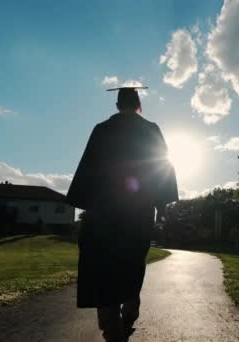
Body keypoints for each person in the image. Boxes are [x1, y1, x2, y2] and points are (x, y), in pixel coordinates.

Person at [66, 86, 178, 342]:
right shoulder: (151, 130)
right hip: (138, 214)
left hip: (104, 212)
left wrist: (87, 207)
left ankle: (111, 328)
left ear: (117, 105)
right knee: (131, 264)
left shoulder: (102, 130)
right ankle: (129, 308)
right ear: (139, 104)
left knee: (102, 269)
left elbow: (87, 169)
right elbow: (162, 167)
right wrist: (162, 207)